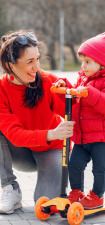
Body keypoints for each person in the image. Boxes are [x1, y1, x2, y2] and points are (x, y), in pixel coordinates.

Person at [0, 30, 75, 214]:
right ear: (10, 65)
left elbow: (78, 110)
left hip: (52, 148)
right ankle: (10, 189)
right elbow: (14, 135)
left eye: (37, 59)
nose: (36, 67)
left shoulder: (49, 82)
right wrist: (51, 133)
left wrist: (68, 91)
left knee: (46, 206)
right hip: (21, 151)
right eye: (29, 62)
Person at [55, 33, 105, 209]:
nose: (83, 66)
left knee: (100, 169)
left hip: (101, 139)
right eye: (82, 62)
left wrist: (89, 93)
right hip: (82, 137)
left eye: (88, 62)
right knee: (74, 165)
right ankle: (76, 192)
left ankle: (97, 196)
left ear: (101, 62)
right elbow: (76, 92)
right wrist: (65, 85)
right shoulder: (83, 78)